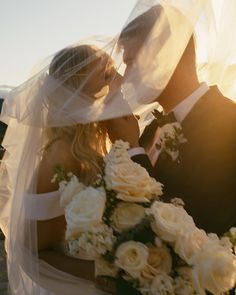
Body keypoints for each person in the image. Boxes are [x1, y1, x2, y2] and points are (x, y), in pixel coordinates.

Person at [0, 43, 121, 295]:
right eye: (107, 75)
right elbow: (32, 253)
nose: (118, 80)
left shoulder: (95, 146)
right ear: (80, 89)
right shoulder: (61, 155)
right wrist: (108, 276)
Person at [107, 3, 236, 236]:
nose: (125, 79)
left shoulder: (229, 125)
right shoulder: (151, 128)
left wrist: (133, 151)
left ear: (166, 56)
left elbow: (196, 225)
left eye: (131, 62)